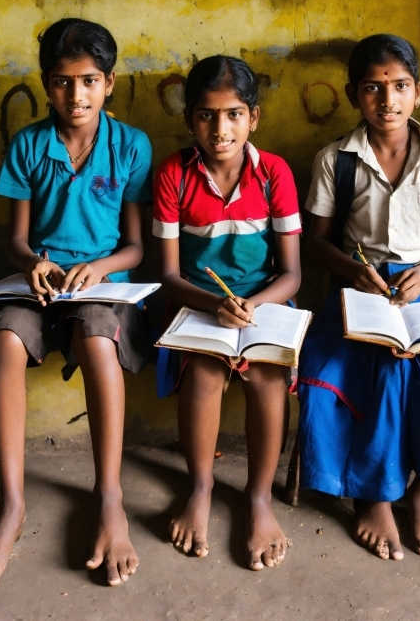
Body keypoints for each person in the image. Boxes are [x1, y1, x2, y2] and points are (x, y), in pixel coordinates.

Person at [0, 18, 153, 596]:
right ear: (47, 85)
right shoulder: (28, 144)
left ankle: (110, 498)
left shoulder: (131, 146)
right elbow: (16, 240)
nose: (77, 95)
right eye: (64, 83)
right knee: (5, 340)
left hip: (101, 285)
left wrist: (101, 267)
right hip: (40, 282)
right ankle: (10, 507)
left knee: (98, 339)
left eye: (90, 81)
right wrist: (31, 266)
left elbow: (137, 246)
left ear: (110, 83)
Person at [297, 33, 420, 561]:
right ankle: (375, 494)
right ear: (352, 94)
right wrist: (356, 272)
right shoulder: (334, 159)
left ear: (418, 91)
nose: (388, 101)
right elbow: (316, 242)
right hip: (361, 283)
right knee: (383, 368)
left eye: (400, 86)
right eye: (373, 88)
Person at [152, 55, 302, 570]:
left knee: (265, 379)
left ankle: (257, 497)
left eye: (234, 114)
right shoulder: (174, 173)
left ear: (253, 118)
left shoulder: (274, 173)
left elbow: (292, 275)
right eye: (208, 116)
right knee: (205, 377)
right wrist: (215, 303)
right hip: (199, 302)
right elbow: (169, 275)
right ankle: (200, 487)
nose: (221, 129)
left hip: (265, 303)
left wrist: (252, 305)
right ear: (190, 118)